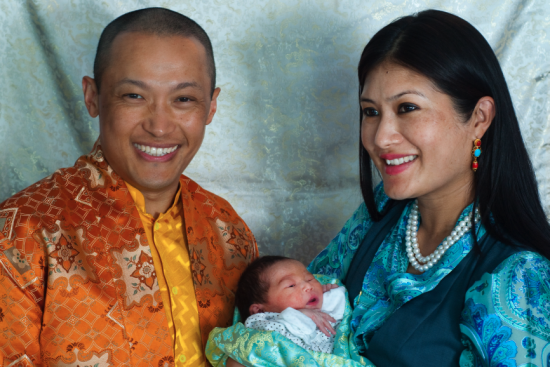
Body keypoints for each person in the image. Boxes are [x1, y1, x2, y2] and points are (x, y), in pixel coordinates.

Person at [209, 9, 550, 367]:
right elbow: (285, 318)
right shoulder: (381, 215)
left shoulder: (520, 279)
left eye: (407, 108)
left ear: (479, 118)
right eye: (370, 112)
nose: (380, 137)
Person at [0, 7, 257, 367]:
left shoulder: (228, 231)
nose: (160, 126)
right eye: (134, 96)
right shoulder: (22, 232)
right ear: (92, 96)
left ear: (211, 107)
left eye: (183, 99)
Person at [235, 256, 345, 353]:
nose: (308, 286)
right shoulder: (261, 324)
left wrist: (332, 294)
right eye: (291, 285)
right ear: (260, 311)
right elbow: (269, 343)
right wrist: (297, 316)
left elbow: (341, 318)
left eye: (310, 279)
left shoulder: (321, 309)